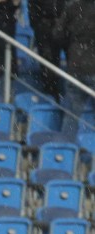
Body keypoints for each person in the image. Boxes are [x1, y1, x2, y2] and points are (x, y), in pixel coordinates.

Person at [54, 0, 95, 138]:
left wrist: (72, 46)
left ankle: (64, 152)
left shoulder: (73, 8)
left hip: (76, 65)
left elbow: (58, 34)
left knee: (71, 116)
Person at [28, 0, 66, 100]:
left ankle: (57, 89)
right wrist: (39, 25)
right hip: (44, 27)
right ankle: (50, 90)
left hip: (60, 25)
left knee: (57, 58)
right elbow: (32, 13)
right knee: (47, 59)